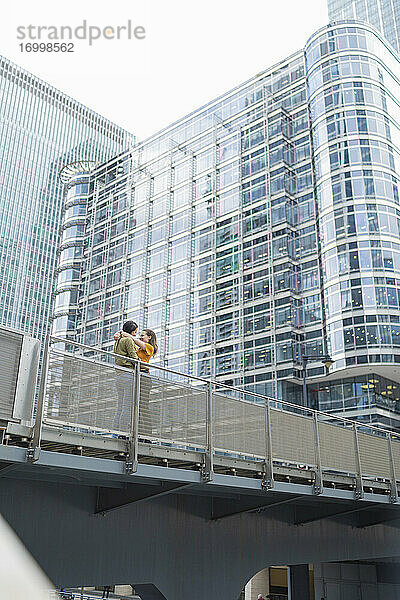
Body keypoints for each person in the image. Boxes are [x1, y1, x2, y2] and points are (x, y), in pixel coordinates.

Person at [115, 328, 158, 438]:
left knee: (143, 407)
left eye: (143, 335)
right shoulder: (138, 348)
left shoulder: (149, 347)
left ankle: (147, 436)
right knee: (136, 408)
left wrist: (125, 334)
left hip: (144, 377)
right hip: (137, 376)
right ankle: (138, 434)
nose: (140, 336)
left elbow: (134, 340)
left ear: (149, 337)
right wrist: (119, 335)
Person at [113, 321, 138, 432]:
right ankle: (122, 432)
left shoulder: (118, 341)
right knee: (127, 406)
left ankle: (115, 431)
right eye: (135, 333)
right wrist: (141, 363)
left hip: (119, 375)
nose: (135, 335)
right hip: (128, 375)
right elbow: (133, 357)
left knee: (120, 406)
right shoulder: (128, 340)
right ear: (131, 332)